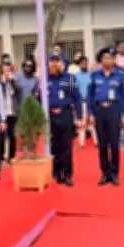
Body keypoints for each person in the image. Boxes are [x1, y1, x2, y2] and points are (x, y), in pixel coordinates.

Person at [88, 47, 124, 186]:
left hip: (114, 110)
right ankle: (105, 173)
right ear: (101, 60)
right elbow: (90, 96)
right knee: (102, 144)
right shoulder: (94, 75)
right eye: (105, 58)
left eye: (110, 58)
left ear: (113, 60)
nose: (107, 60)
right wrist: (90, 113)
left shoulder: (120, 75)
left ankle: (114, 173)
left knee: (114, 143)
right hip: (99, 110)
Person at [47, 54, 83, 185]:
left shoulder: (70, 79)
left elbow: (77, 98)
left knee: (67, 147)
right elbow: (37, 99)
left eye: (57, 61)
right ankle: (56, 174)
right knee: (54, 147)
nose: (54, 64)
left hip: (65, 115)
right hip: (50, 117)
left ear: (62, 64)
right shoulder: (44, 79)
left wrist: (78, 117)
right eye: (52, 61)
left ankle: (67, 174)